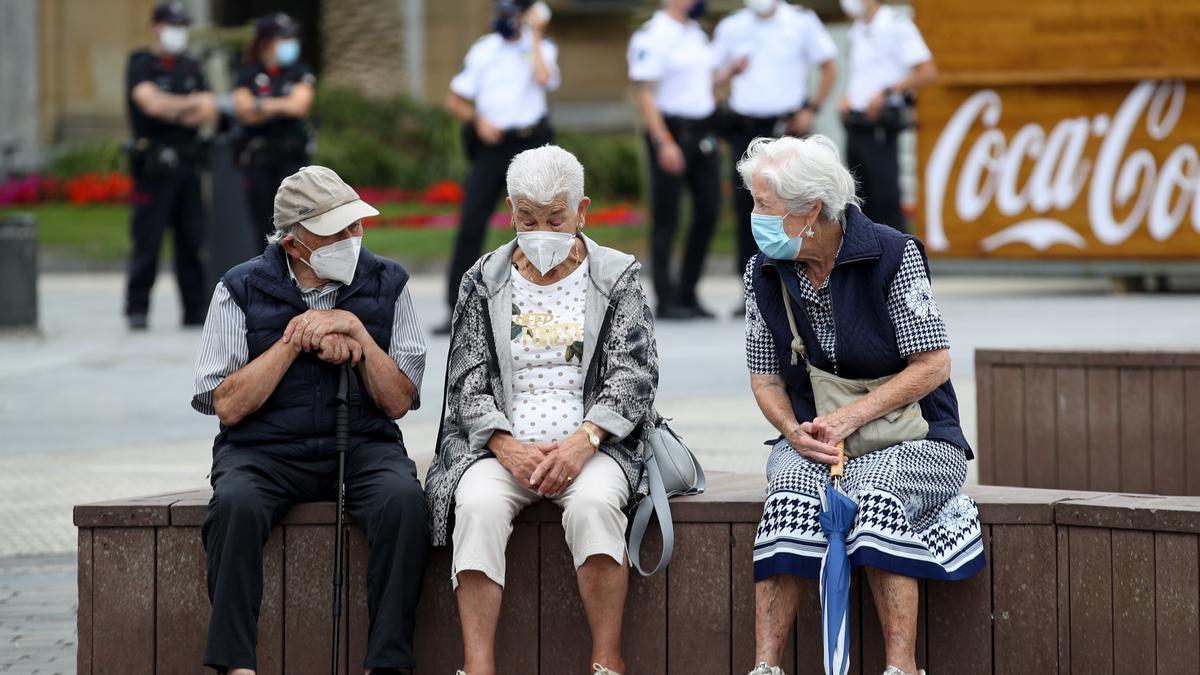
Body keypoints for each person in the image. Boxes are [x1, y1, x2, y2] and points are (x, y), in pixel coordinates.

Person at [736, 136, 983, 675]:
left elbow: (933, 365)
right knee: (789, 495)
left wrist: (850, 417)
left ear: (811, 212)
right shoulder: (763, 271)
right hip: (816, 436)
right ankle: (766, 668)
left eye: (764, 206)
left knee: (872, 496)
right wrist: (790, 429)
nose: (753, 218)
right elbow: (765, 377)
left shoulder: (892, 254)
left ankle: (901, 667)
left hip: (918, 436)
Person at [424, 146, 659, 675]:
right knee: (477, 506)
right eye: (527, 218)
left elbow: (634, 373)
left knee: (595, 505)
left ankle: (607, 660)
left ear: (583, 211)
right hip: (501, 448)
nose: (542, 230)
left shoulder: (615, 276)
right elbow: (466, 378)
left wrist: (584, 441)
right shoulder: (485, 279)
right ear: (510, 212)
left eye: (556, 218)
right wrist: (507, 447)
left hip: (594, 444)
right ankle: (477, 666)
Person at [192, 166, 429, 674]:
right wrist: (292, 340)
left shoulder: (390, 282)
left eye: (355, 226)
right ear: (295, 243)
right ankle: (235, 664)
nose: (352, 238)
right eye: (337, 230)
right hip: (263, 451)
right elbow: (224, 404)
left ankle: (388, 663)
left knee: (404, 503)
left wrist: (359, 337)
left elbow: (399, 401)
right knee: (234, 506)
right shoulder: (240, 288)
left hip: (364, 443)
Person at [437, 0, 559, 334]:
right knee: (472, 220)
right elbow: (454, 99)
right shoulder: (484, 50)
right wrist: (477, 120)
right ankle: (457, 306)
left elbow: (544, 77)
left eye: (512, 15)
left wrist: (534, 34)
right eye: (501, 15)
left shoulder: (541, 48)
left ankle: (544, 301)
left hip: (530, 143)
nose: (505, 21)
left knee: (539, 222)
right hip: (492, 145)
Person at [713, 0, 837, 297]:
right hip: (746, 127)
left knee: (801, 203)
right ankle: (754, 286)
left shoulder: (801, 21)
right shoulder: (731, 26)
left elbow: (830, 65)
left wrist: (812, 108)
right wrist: (729, 74)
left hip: (788, 126)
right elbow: (708, 78)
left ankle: (808, 280)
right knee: (752, 207)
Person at [124, 0, 218, 329]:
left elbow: (208, 110)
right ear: (155, 27)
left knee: (192, 240)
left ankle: (194, 310)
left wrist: (172, 107)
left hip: (188, 167)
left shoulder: (192, 67)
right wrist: (188, 106)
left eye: (182, 26)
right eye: (172, 25)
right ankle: (137, 309)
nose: (178, 33)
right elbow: (149, 104)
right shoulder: (141, 63)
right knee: (147, 241)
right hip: (153, 169)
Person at [627, 0, 721, 320]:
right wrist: (662, 140)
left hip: (702, 129)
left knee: (709, 210)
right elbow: (645, 94)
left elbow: (699, 85)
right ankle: (666, 296)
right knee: (667, 216)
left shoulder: (697, 34)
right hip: (670, 131)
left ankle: (688, 291)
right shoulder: (652, 35)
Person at [839, 0, 937, 233]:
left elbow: (927, 71)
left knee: (886, 198)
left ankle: (898, 260)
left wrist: (888, 92)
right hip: (855, 123)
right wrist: (845, 96)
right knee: (858, 198)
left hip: (880, 124)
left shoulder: (896, 25)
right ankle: (865, 261)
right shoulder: (857, 30)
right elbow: (861, 76)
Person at [233, 12, 316, 239]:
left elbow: (299, 106)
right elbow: (244, 112)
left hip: (292, 159)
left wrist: (260, 105)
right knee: (263, 229)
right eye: (283, 38)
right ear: (266, 42)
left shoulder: (300, 71)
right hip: (259, 160)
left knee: (295, 228)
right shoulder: (248, 73)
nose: (290, 44)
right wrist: (281, 105)